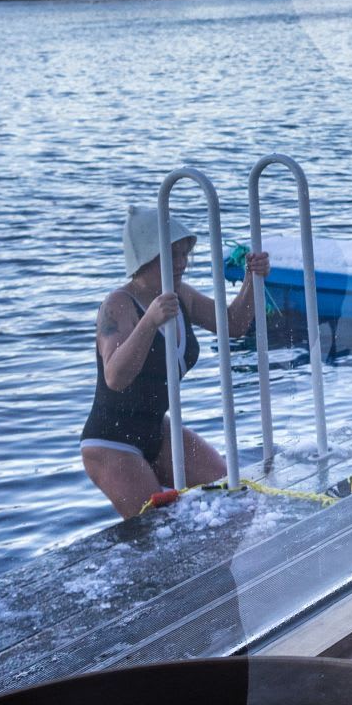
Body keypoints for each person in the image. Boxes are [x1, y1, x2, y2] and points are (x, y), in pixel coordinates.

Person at [79, 204, 270, 518]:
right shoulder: (117, 305)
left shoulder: (181, 294)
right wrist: (149, 321)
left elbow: (233, 325)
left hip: (158, 428)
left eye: (185, 254)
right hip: (110, 442)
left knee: (229, 489)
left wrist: (253, 279)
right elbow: (115, 377)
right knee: (158, 527)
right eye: (173, 255)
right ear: (147, 257)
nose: (182, 263)